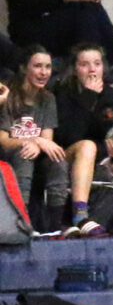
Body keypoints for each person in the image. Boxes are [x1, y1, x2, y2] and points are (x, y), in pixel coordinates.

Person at [53, 43, 113, 236]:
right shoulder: (62, 94)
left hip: (102, 159)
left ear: (103, 67)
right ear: (74, 69)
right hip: (70, 155)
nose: (92, 69)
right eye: (84, 64)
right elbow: (68, 137)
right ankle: (80, 214)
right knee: (87, 147)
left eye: (96, 63)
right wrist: (88, 97)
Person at [0, 44, 67, 231]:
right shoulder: (8, 95)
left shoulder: (48, 98)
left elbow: (48, 140)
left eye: (48, 67)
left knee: (58, 159)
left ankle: (56, 224)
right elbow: (4, 141)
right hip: (10, 154)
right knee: (25, 154)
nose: (44, 72)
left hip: (34, 152)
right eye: (37, 66)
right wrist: (34, 141)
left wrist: (39, 143)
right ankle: (23, 221)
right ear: (24, 68)